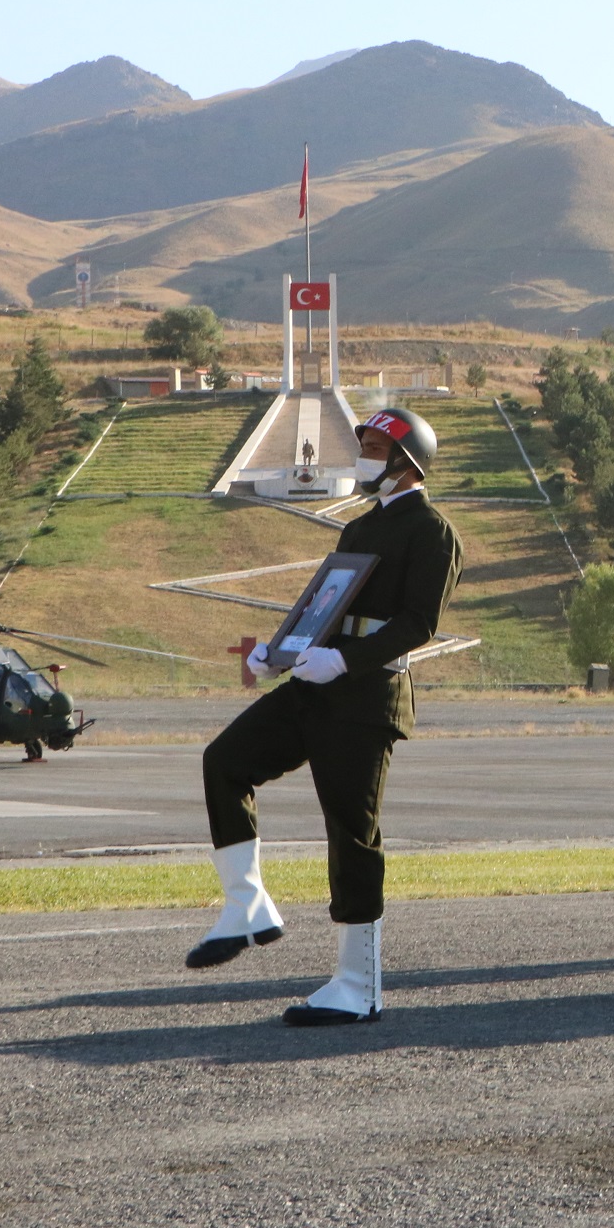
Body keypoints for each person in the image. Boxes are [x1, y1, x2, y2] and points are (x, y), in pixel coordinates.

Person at [187, 407, 464, 1024]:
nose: (362, 454)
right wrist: (275, 653)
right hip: (317, 684)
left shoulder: (432, 532)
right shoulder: (359, 529)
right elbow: (323, 606)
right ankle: (247, 906)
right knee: (225, 762)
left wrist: (347, 663)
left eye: (371, 444)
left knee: (350, 831)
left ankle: (357, 985)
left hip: (366, 696)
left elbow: (419, 623)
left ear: (405, 460)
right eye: (363, 442)